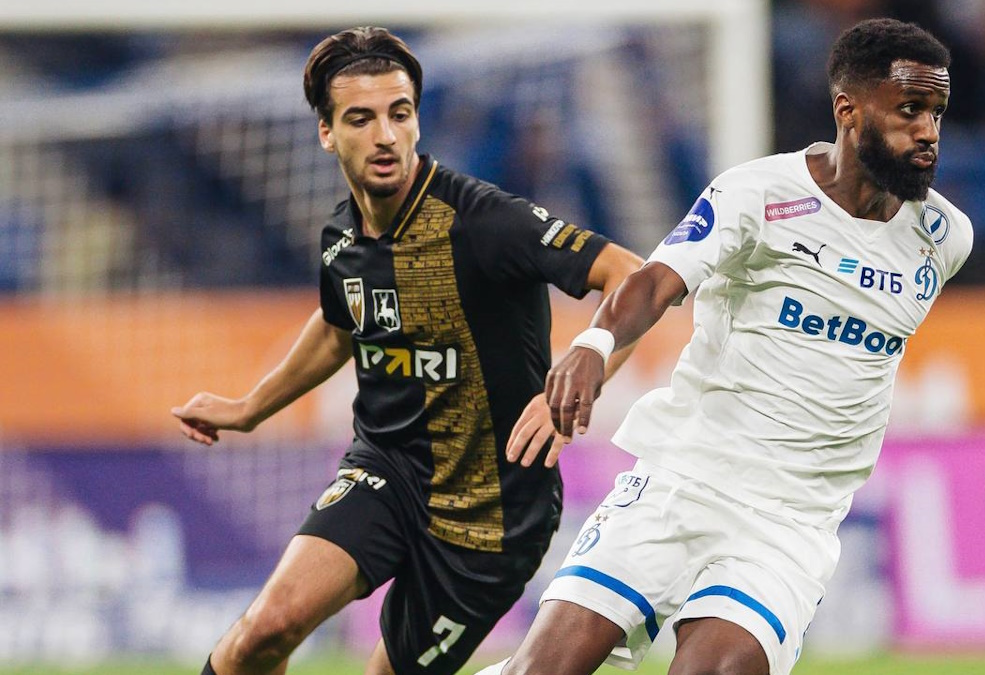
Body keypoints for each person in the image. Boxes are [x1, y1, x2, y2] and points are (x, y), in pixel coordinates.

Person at [478, 18, 972, 675]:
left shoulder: (944, 237)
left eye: (937, 112)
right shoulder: (761, 193)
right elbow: (656, 280)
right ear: (848, 111)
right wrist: (595, 344)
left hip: (789, 525)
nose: (928, 131)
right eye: (910, 109)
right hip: (684, 480)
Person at [170, 26, 643, 675]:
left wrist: (579, 378)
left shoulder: (483, 221)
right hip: (387, 471)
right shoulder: (343, 236)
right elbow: (340, 325)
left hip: (493, 512)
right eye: (360, 118)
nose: (385, 135)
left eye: (399, 113)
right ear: (327, 133)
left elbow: (631, 276)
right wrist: (249, 408)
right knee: (262, 631)